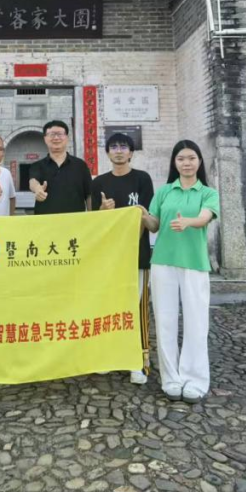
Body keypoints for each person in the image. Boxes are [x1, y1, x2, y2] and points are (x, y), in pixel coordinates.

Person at [139, 140, 219, 402]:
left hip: (194, 263)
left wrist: (188, 222)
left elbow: (205, 217)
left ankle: (195, 379)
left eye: (191, 158)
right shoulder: (164, 191)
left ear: (199, 162)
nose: (186, 163)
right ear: (174, 163)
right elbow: (154, 225)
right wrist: (142, 214)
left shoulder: (207, 193)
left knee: (197, 322)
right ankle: (171, 378)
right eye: (181, 159)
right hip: (163, 261)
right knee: (165, 321)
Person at [92, 132, 155, 385]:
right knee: (110, 307)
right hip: (109, 258)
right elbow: (92, 224)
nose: (119, 151)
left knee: (136, 308)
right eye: (114, 147)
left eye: (124, 147)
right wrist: (101, 211)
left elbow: (149, 218)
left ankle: (137, 361)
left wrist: (140, 215)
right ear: (107, 152)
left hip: (137, 255)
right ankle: (109, 356)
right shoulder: (99, 183)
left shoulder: (142, 179)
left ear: (131, 152)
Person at [27, 120, 92, 214]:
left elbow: (89, 194)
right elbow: (33, 181)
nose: (56, 138)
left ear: (67, 138)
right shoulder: (37, 165)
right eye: (52, 134)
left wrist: (93, 217)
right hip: (45, 221)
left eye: (60, 134)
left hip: (75, 220)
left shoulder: (80, 165)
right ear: (45, 138)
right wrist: (37, 189)